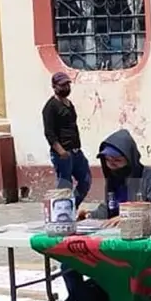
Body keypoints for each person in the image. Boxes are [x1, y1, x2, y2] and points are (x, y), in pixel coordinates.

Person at [65, 129, 151, 299]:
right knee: (68, 261)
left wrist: (130, 216)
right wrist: (89, 216)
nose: (112, 165)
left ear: (130, 159)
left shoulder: (150, 179)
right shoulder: (114, 181)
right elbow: (109, 210)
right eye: (108, 161)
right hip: (113, 244)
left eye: (117, 160)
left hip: (143, 247)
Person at [42, 72, 91, 206]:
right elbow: (49, 133)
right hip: (63, 153)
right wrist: (61, 151)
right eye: (63, 85)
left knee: (85, 180)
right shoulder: (50, 107)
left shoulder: (69, 104)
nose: (66, 87)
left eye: (68, 84)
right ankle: (61, 211)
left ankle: (71, 207)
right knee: (65, 185)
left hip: (76, 151)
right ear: (54, 86)